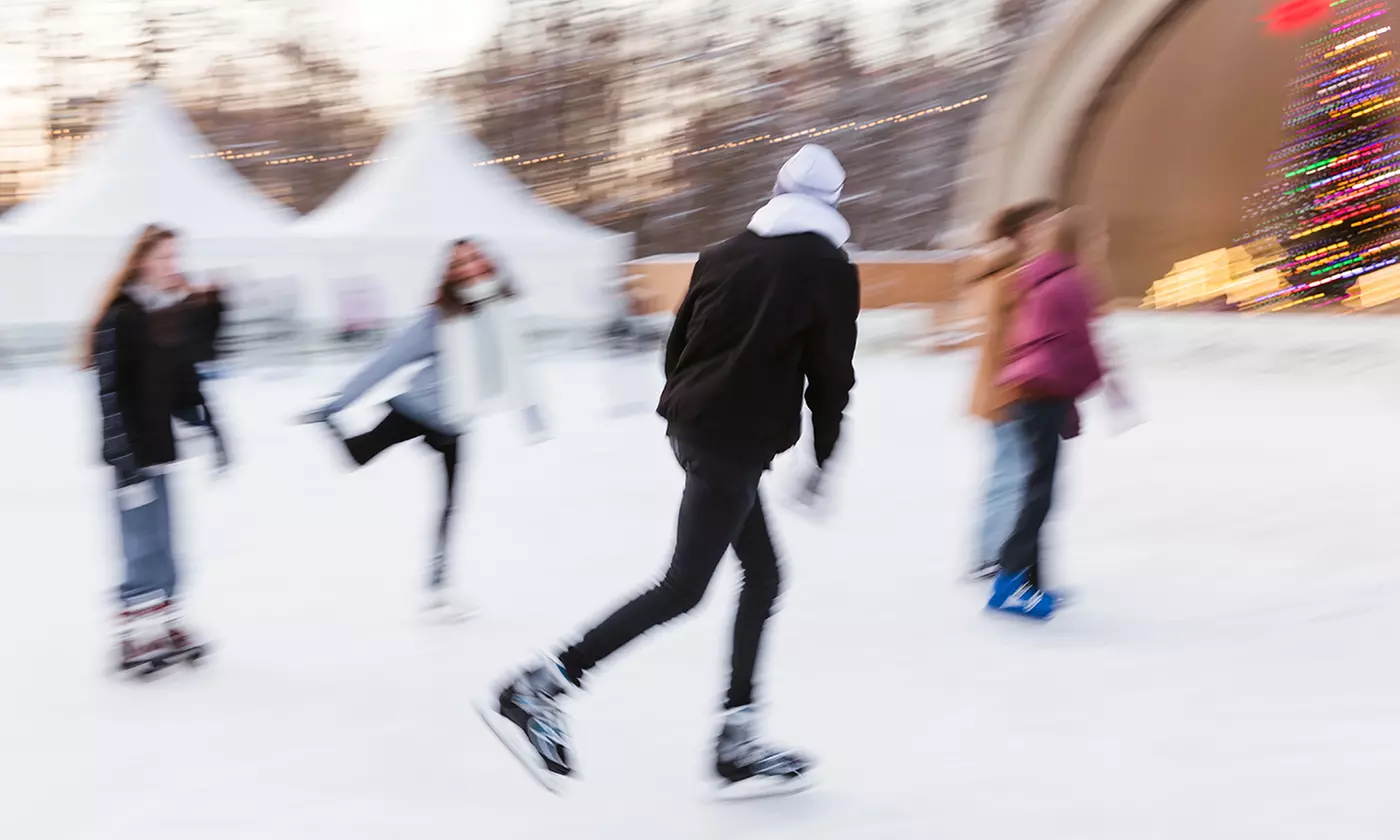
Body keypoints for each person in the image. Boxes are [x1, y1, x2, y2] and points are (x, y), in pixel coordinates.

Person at [480, 144, 860, 795]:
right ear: (831, 205)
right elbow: (830, 378)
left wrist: (695, 411)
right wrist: (823, 457)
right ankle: (540, 685)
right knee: (683, 587)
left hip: (696, 428)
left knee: (764, 576)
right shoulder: (829, 268)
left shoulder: (722, 253)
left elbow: (677, 345)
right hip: (732, 443)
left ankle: (736, 736)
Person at [298, 239, 548, 623]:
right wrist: (339, 401)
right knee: (358, 456)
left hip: (455, 421)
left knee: (450, 505)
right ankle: (328, 422)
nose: (469, 266)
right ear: (450, 274)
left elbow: (516, 367)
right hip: (418, 409)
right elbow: (386, 361)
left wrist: (532, 417)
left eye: (474, 257)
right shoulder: (438, 320)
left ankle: (438, 588)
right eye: (459, 263)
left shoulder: (499, 312)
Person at [87, 224, 228, 674]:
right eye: (164, 257)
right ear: (142, 260)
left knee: (166, 544)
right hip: (129, 454)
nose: (173, 265)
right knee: (139, 544)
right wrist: (124, 460)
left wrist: (214, 430)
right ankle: (130, 636)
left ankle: (166, 623)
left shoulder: (164, 316)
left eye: (175, 256)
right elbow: (108, 394)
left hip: (160, 449)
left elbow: (186, 383)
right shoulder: (121, 316)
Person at [988, 207, 1106, 620]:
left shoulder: (1037, 275)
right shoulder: (1072, 282)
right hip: (1046, 392)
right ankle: (1008, 580)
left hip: (1030, 388)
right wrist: (1098, 382)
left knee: (1037, 487)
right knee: (1040, 493)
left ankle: (1033, 583)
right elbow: (1082, 345)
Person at [964, 199, 1059, 580]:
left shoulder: (1009, 272)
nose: (1048, 231)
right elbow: (1008, 337)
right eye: (1041, 225)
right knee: (1011, 472)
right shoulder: (1009, 276)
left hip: (1013, 386)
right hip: (1011, 389)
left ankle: (998, 552)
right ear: (1022, 232)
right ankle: (992, 555)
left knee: (1014, 471)